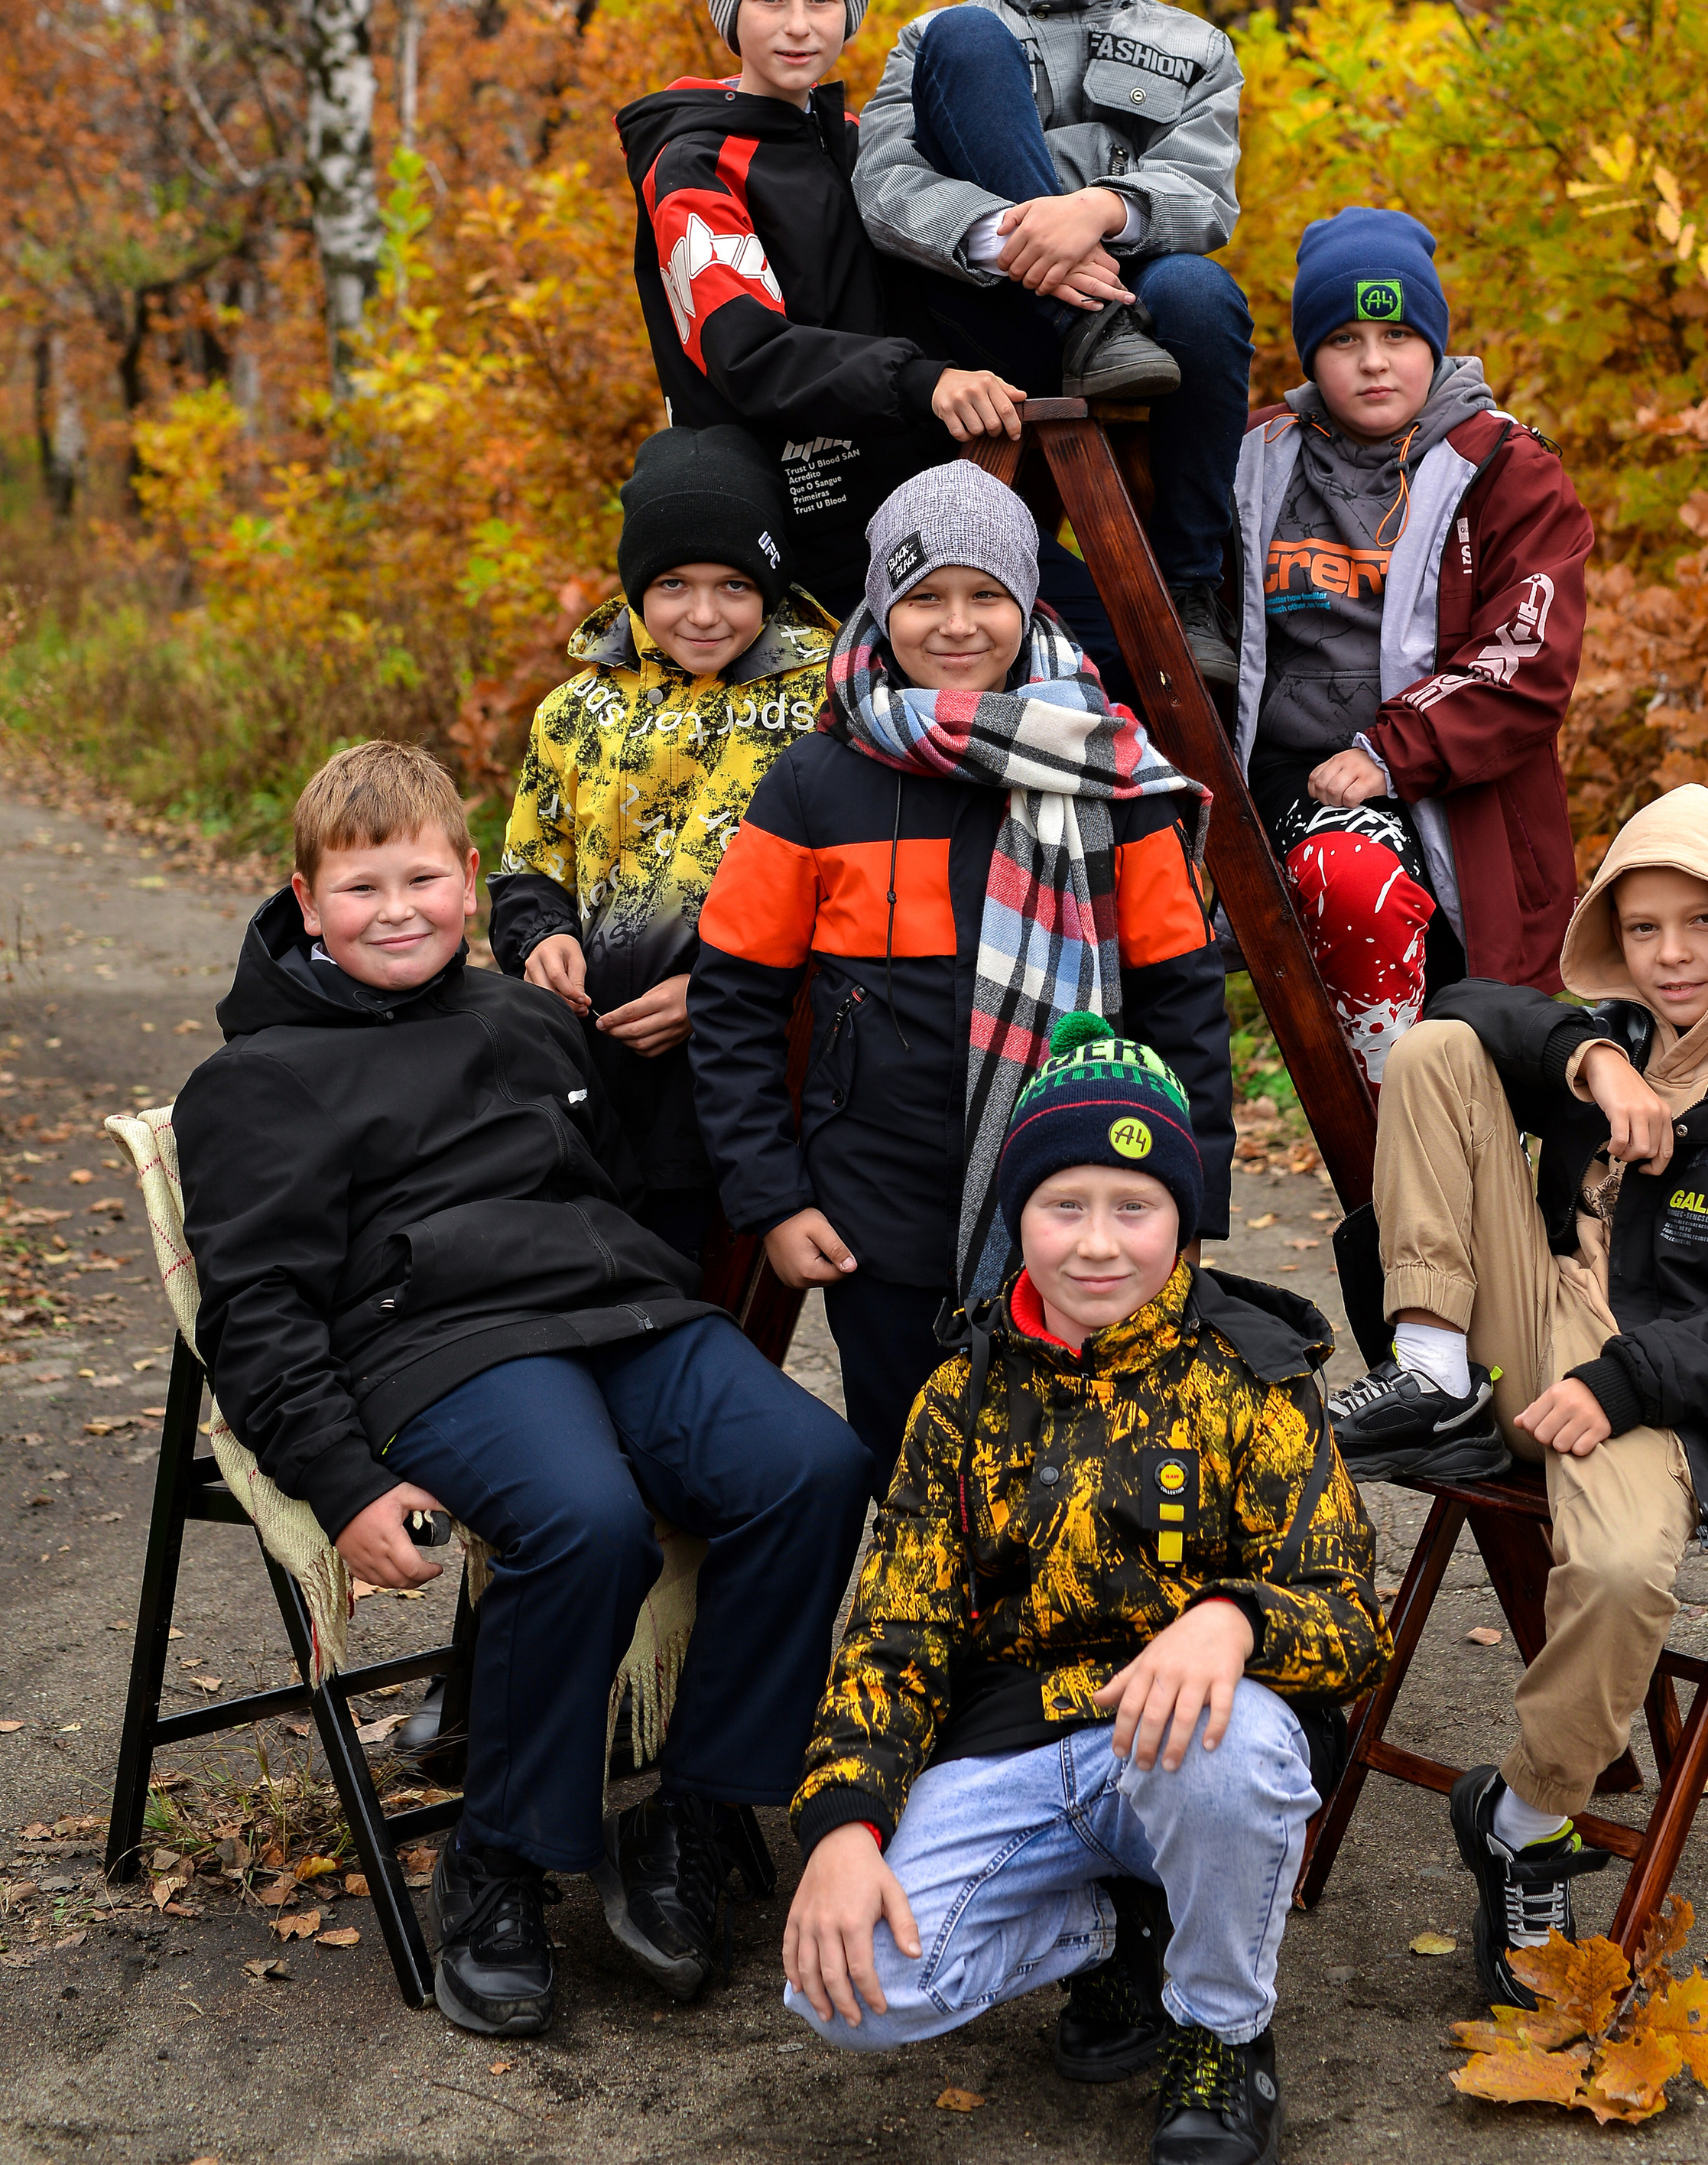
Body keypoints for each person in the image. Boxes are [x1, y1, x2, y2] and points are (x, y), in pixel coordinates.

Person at [173, 740, 873, 2040]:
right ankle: (498, 1856)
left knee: (813, 1467)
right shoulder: (253, 1080)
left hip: (618, 1306)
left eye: (423, 876)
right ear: (303, 895)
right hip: (434, 1344)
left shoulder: (528, 1016)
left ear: (469, 875)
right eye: (363, 884)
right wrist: (347, 1480)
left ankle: (696, 1806)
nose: (398, 908)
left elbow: (598, 1179)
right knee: (587, 1521)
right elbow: (257, 1311)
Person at [779, 1013, 1391, 2165]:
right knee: (844, 1989)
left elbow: (1357, 1620)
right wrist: (844, 1821)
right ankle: (1121, 1929)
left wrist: (1234, 1617)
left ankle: (1220, 2027)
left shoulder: (1253, 1380)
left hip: (1187, 1734)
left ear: (1184, 1219)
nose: (1098, 1245)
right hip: (1015, 1741)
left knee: (1236, 1757)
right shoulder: (957, 1394)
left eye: (1136, 1206)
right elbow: (891, 1634)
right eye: (1065, 1205)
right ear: (1017, 1215)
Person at [1328, 784, 1708, 2004]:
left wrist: (1625, 1378)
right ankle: (1429, 1368)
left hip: (1664, 1390)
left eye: (1702, 924)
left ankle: (1528, 1818)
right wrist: (1590, 1056)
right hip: (1523, 1324)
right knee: (1438, 1046)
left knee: (1631, 1573)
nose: (1674, 956)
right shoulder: (1627, 1031)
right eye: (1643, 929)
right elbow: (1464, 1006)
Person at [686, 461, 1234, 1489]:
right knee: (919, 1477)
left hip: (1085, 1206)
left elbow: (1182, 1006)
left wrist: (1188, 1207)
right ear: (881, 606)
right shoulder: (817, 780)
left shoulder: (1111, 775)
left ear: (1027, 603)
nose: (956, 624)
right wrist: (771, 1198)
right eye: (924, 595)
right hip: (874, 1213)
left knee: (1076, 1483)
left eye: (985, 594)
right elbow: (734, 1000)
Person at [856, 0, 1252, 690]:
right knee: (968, 40)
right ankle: (1085, 331)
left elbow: (1203, 192)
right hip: (992, 320)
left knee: (1202, 294)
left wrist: (1098, 214)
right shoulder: (935, 39)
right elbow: (883, 187)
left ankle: (1192, 589)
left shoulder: (1193, 45)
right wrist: (1006, 235)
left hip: (1141, 330)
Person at [1232, 204, 1592, 1096]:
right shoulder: (1255, 456)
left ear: (1433, 340)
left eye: (1397, 333)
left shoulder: (1504, 467)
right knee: (1349, 875)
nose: (1372, 360)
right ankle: (1394, 1144)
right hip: (1295, 778)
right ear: (1309, 354)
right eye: (1343, 337)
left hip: (1460, 788)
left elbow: (1528, 657)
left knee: (1501, 1053)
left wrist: (1389, 755)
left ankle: (1479, 1184)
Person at [619, 0, 1026, 621]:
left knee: (1094, 638)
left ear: (851, 13)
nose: (799, 26)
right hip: (801, 519)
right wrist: (920, 381)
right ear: (732, 16)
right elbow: (746, 351)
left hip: (921, 484)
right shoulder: (696, 162)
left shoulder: (858, 141)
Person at [489, 426, 833, 1258]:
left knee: (712, 1286)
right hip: (593, 1069)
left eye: (734, 585)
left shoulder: (826, 703)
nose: (704, 613)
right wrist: (544, 938)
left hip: (753, 1065)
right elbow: (528, 865)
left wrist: (714, 994)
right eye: (673, 583)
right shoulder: (575, 708)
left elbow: (844, 888)